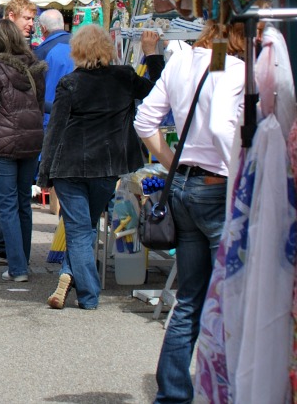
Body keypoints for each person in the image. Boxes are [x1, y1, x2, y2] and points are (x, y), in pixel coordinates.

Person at [134, 21, 245, 404]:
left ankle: (173, 394)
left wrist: (171, 162)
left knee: (191, 298)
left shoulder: (181, 61)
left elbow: (144, 121)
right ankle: (226, 390)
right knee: (230, 299)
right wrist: (239, 174)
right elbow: (219, 126)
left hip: (183, 184)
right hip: (217, 187)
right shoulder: (233, 67)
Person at [39, 26, 162, 310]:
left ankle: (88, 293)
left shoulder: (70, 83)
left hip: (69, 167)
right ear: (108, 49)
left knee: (79, 231)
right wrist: (152, 54)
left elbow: (55, 130)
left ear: (77, 52)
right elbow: (158, 90)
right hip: (106, 167)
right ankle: (68, 273)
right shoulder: (125, 77)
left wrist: (44, 174)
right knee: (87, 228)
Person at [0, 18, 47, 284]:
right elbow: (38, 107)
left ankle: (17, 267)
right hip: (30, 141)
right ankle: (22, 261)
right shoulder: (35, 67)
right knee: (22, 203)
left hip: (3, 142)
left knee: (6, 203)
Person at [35, 9, 74, 130]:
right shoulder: (81, 44)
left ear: (43, 28)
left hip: (52, 118)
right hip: (80, 117)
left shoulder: (42, 52)